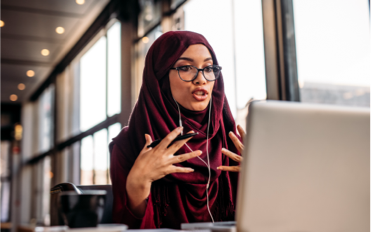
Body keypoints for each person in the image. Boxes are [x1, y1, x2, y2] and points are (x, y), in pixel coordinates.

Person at [109, 31, 245, 229]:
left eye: (208, 68)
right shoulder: (130, 144)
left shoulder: (231, 142)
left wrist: (260, 180)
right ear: (160, 78)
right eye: (186, 67)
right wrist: (138, 184)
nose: (201, 80)